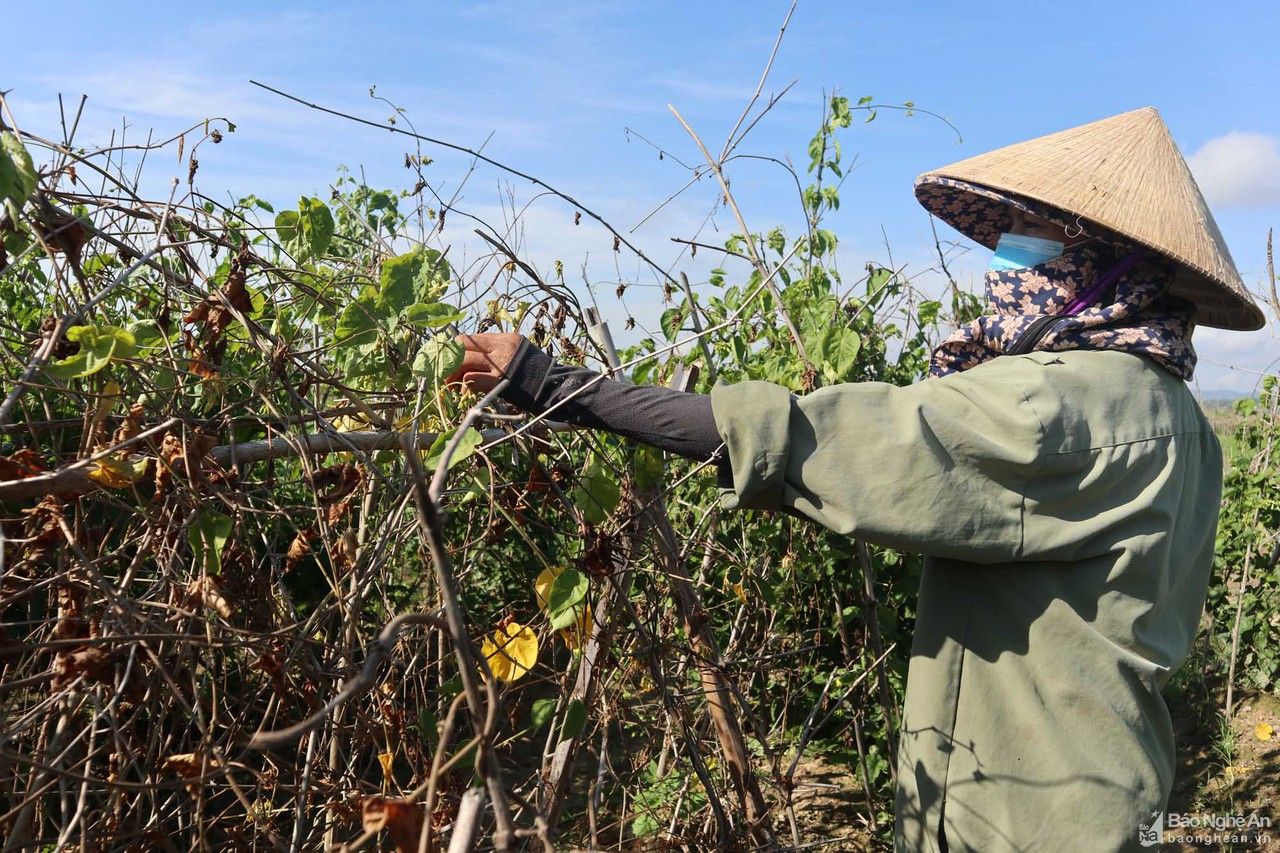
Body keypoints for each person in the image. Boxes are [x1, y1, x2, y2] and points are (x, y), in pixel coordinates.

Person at [448, 107, 1265, 852]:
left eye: (1033, 238)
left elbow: (814, 439)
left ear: (1100, 266)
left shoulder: (1059, 403)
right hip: (1112, 786)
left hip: (1031, 818)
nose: (1007, 260)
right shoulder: (1180, 414)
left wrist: (557, 386)